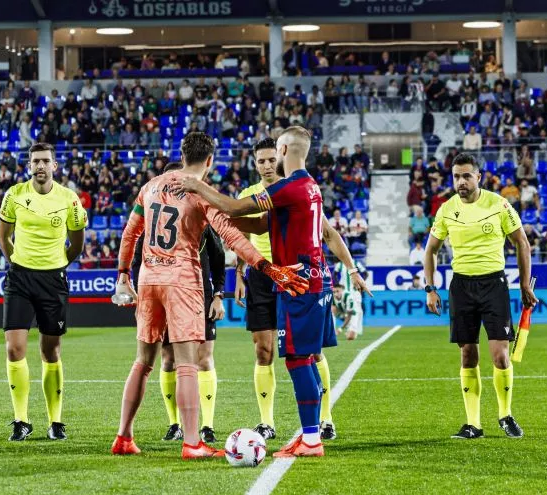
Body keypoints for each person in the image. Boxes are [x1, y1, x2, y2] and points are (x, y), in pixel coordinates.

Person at [111, 132, 307, 459]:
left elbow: (131, 232)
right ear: (211, 161)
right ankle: (192, 443)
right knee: (188, 363)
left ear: (182, 154)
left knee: (143, 361)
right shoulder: (203, 193)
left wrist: (122, 274)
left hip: (148, 278)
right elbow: (231, 234)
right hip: (182, 280)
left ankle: (123, 436)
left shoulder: (151, 186)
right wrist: (267, 267)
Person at [180, 126, 368, 458]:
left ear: (282, 149)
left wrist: (198, 187)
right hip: (309, 279)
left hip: (299, 282)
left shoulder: (288, 187)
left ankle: (311, 438)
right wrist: (219, 220)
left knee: (297, 359)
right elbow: (260, 224)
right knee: (305, 357)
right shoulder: (309, 186)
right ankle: (310, 433)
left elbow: (238, 209)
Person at [236, 138, 366, 441]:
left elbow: (328, 234)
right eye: (261, 161)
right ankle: (266, 422)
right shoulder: (249, 195)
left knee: (311, 352)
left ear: (279, 159)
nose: (267, 166)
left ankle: (324, 419)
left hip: (295, 276)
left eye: (271, 160)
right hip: (261, 275)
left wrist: (352, 269)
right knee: (263, 350)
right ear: (254, 164)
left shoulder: (294, 190)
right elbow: (241, 236)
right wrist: (239, 273)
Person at [423, 153, 537, 440]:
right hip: (461, 286)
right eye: (456, 177)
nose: (461, 182)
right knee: (467, 354)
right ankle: (473, 423)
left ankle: (505, 414)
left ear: (478, 177)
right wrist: (430, 287)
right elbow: (431, 250)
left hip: (493, 285)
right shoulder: (447, 209)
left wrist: (525, 284)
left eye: (466, 176)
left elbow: (521, 242)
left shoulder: (499, 204)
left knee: (500, 356)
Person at [0, 143, 88, 442]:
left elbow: (77, 243)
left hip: (53, 280)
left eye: (45, 161)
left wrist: (59, 263)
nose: (40, 166)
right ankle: (21, 420)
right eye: (35, 161)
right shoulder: (14, 195)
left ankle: (56, 420)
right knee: (14, 348)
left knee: (51, 352)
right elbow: (3, 235)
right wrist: (16, 262)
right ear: (29, 165)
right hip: (20, 278)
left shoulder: (69, 199)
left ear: (54, 166)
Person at [130, 162, 226, 444]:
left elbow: (219, 262)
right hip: (163, 292)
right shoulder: (152, 222)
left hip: (198, 293)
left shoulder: (201, 215)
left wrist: (218, 295)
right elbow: (138, 261)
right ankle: (175, 424)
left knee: (204, 358)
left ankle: (206, 425)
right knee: (169, 360)